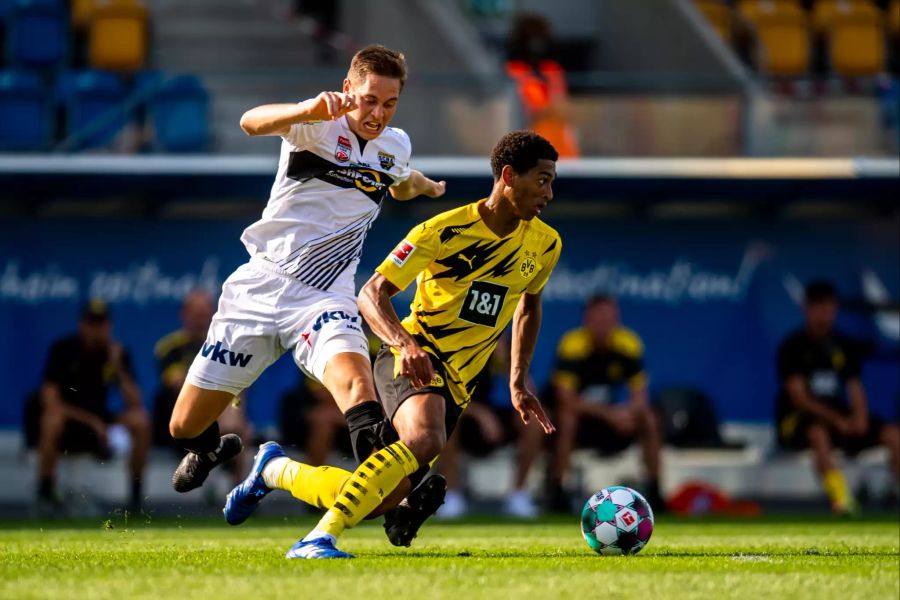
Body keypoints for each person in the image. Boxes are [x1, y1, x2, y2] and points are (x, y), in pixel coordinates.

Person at [222, 130, 561, 559]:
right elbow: (372, 293)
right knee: (425, 437)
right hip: (414, 358)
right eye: (543, 179)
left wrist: (517, 379)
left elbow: (528, 307)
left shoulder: (546, 243)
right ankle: (318, 538)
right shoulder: (443, 230)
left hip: (460, 384)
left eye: (552, 181)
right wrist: (405, 344)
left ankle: (274, 470)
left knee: (374, 496)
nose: (549, 193)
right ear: (509, 176)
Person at [166, 45, 445, 499]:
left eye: (389, 103)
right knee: (184, 426)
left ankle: (403, 495)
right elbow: (250, 122)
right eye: (369, 99)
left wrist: (429, 186)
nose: (378, 113)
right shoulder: (316, 125)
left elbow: (402, 178)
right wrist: (307, 108)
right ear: (347, 88)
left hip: (324, 297)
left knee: (357, 386)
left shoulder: (395, 145)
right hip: (259, 289)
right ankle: (211, 449)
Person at [776, 280, 900, 515]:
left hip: (839, 419)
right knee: (817, 433)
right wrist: (838, 420)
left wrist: (860, 418)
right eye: (819, 308)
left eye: (830, 308)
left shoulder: (842, 345)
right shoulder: (792, 347)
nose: (825, 315)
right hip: (798, 421)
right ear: (806, 308)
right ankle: (841, 500)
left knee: (894, 433)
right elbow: (799, 398)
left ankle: (894, 492)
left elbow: (855, 387)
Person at [547, 294, 665, 512]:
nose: (604, 325)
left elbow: (640, 397)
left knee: (648, 417)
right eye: (598, 319)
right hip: (580, 423)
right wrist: (609, 414)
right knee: (567, 418)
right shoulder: (572, 344)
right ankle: (557, 490)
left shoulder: (628, 343)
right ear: (587, 320)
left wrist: (626, 414)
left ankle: (655, 489)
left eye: (609, 319)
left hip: (612, 421)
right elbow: (566, 399)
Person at [35, 299, 150, 512]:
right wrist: (93, 422)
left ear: (109, 326)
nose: (97, 330)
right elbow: (50, 400)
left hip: (102, 419)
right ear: (82, 325)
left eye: (102, 324)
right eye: (92, 324)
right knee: (51, 420)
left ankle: (135, 497)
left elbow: (135, 402)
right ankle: (45, 492)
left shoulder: (116, 353)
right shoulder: (64, 350)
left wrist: (118, 367)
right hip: (72, 420)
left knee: (140, 421)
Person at [436, 332, 546, 518]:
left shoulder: (505, 343)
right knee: (444, 416)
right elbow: (443, 396)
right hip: (464, 414)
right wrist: (480, 414)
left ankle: (518, 495)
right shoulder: (453, 342)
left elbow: (528, 393)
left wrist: (505, 358)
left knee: (533, 420)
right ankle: (452, 494)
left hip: (494, 414)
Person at [153, 290, 252, 485]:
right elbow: (177, 385)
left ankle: (239, 489)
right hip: (178, 417)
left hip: (221, 414)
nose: (201, 320)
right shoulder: (170, 347)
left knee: (238, 418)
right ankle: (218, 455)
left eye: (205, 314)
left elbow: (239, 386)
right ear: (185, 314)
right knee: (230, 417)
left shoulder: (224, 345)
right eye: (196, 314)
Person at [505, 13, 580, 158]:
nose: (536, 46)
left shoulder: (551, 70)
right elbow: (529, 110)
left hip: (560, 152)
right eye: (532, 39)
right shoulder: (513, 71)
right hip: (527, 153)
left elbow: (562, 107)